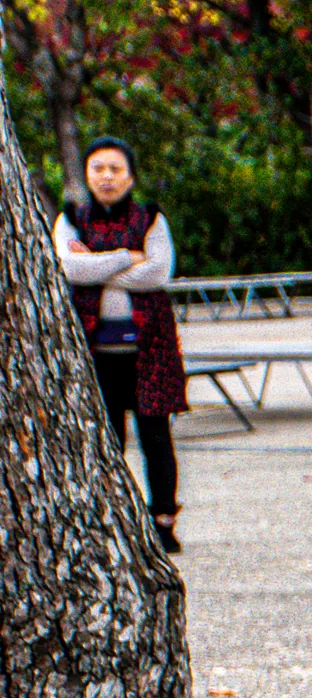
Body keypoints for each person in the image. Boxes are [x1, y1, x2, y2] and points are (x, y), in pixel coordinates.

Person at [53, 136, 182, 553]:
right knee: (105, 440)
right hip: (95, 353)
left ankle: (163, 521)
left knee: (156, 438)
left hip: (149, 350)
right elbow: (67, 267)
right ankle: (109, 523)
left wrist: (97, 263)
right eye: (98, 168)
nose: (106, 177)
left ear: (131, 175)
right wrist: (128, 256)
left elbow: (158, 272)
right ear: (86, 174)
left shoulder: (151, 218)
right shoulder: (71, 217)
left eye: (115, 169)